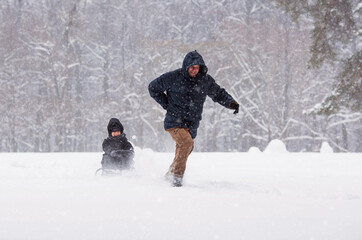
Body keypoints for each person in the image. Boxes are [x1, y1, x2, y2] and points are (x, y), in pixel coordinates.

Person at [148, 50, 239, 187]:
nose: (194, 70)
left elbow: (218, 93)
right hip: (174, 121)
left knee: (186, 148)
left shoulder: (205, 80)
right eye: (191, 67)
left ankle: (169, 174)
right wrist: (167, 104)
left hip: (191, 124)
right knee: (186, 143)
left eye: (197, 67)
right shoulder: (173, 77)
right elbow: (153, 87)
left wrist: (231, 103)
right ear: (186, 66)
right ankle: (176, 179)